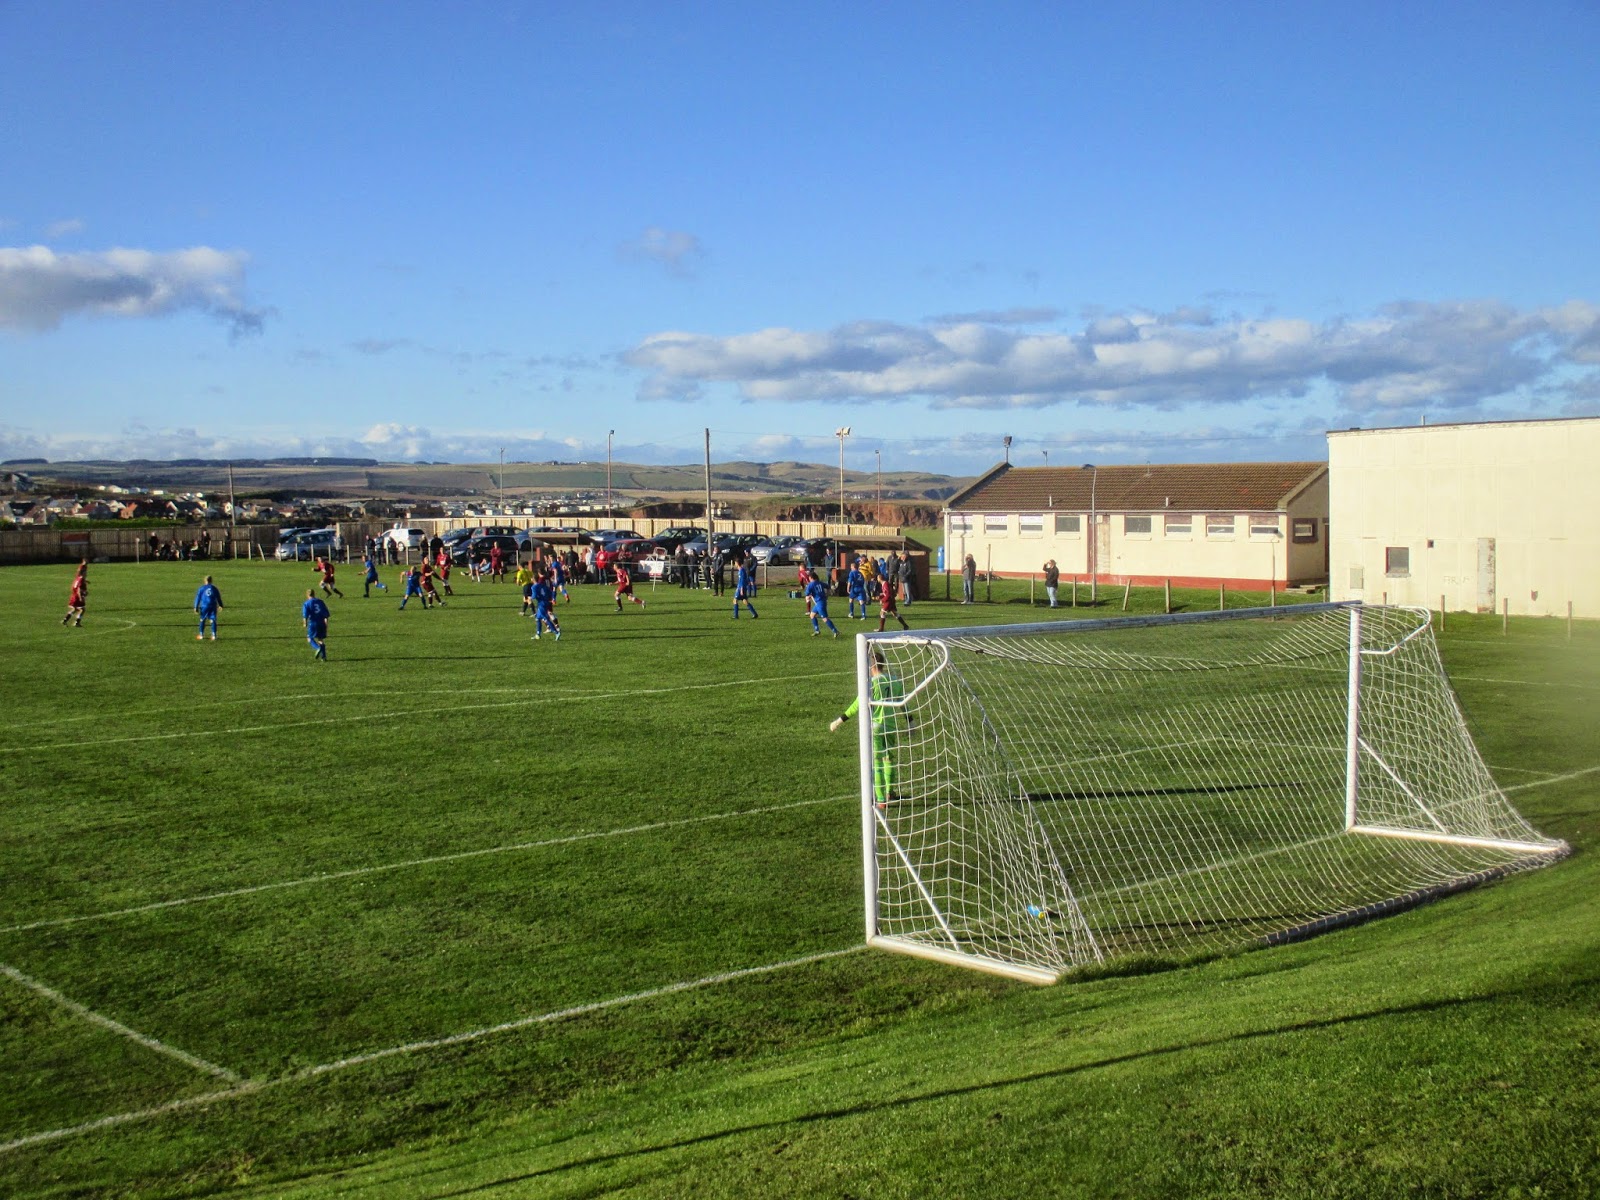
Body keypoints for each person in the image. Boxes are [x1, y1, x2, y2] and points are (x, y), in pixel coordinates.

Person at [829, 650, 906, 807]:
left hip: (875, 727)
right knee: (889, 759)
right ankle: (890, 792)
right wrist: (910, 721)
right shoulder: (895, 681)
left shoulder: (870, 684)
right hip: (891, 726)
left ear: (870, 666)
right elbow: (902, 702)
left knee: (877, 762)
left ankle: (880, 799)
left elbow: (856, 706)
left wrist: (838, 722)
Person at [804, 573, 840, 638]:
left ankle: (835, 631)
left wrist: (808, 597)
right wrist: (827, 594)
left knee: (825, 619)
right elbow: (828, 587)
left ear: (811, 578)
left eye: (809, 578)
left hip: (820, 603)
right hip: (821, 602)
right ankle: (817, 630)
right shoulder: (820, 583)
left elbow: (807, 594)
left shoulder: (810, 585)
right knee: (812, 615)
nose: (809, 579)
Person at [531, 570, 562, 640]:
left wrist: (531, 597)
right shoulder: (543, 585)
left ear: (533, 579)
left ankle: (556, 632)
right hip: (547, 602)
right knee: (538, 618)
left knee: (546, 619)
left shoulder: (534, 587)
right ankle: (538, 634)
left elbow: (534, 596)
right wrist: (551, 599)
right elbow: (550, 592)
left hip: (541, 604)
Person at [302, 588, 330, 660]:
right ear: (314, 594)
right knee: (320, 639)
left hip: (313, 623)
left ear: (307, 595)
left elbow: (305, 615)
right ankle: (324, 657)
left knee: (309, 638)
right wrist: (326, 623)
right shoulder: (320, 601)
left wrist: (305, 623)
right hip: (322, 623)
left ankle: (318, 648)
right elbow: (326, 614)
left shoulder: (307, 603)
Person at [192, 574, 223, 640]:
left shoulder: (201, 588)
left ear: (205, 581)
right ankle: (214, 635)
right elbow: (218, 597)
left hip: (204, 606)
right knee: (213, 619)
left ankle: (201, 635)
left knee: (202, 619)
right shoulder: (214, 588)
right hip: (213, 605)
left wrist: (196, 607)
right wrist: (220, 605)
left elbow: (198, 598)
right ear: (211, 581)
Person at [62, 560, 88, 626]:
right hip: (77, 596)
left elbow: (74, 587)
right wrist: (81, 597)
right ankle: (77, 622)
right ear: (83, 573)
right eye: (85, 573)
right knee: (82, 609)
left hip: (74, 596)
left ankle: (65, 620)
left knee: (74, 609)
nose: (86, 574)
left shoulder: (78, 578)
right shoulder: (81, 580)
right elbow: (79, 589)